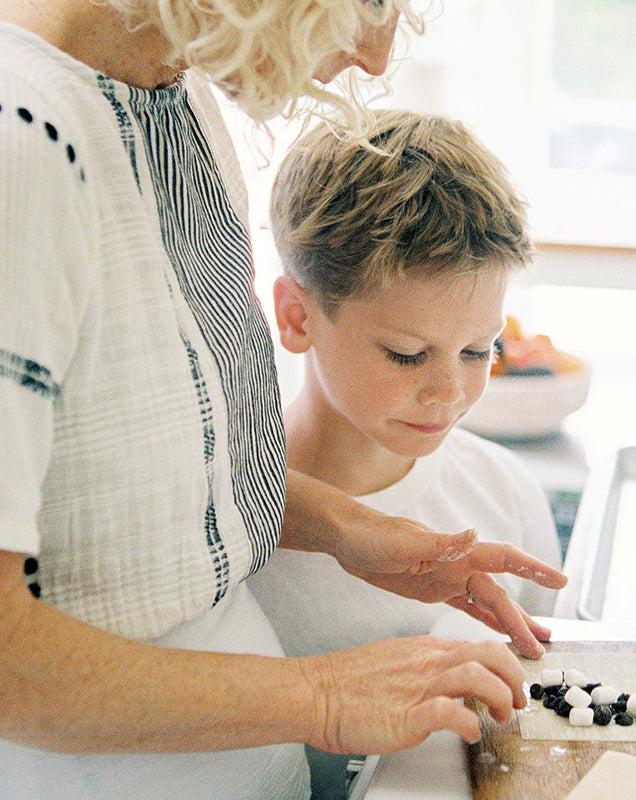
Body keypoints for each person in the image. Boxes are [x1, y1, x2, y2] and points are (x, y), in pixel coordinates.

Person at [0, 1, 567, 798]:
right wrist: (326, 697)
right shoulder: (20, 142)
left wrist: (346, 529)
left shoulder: (178, 97)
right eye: (372, 3)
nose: (376, 56)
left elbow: (137, 481)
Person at [250, 108, 563, 799]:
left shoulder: (504, 495)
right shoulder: (230, 517)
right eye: (407, 353)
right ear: (297, 317)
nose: (448, 391)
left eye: (481, 349)